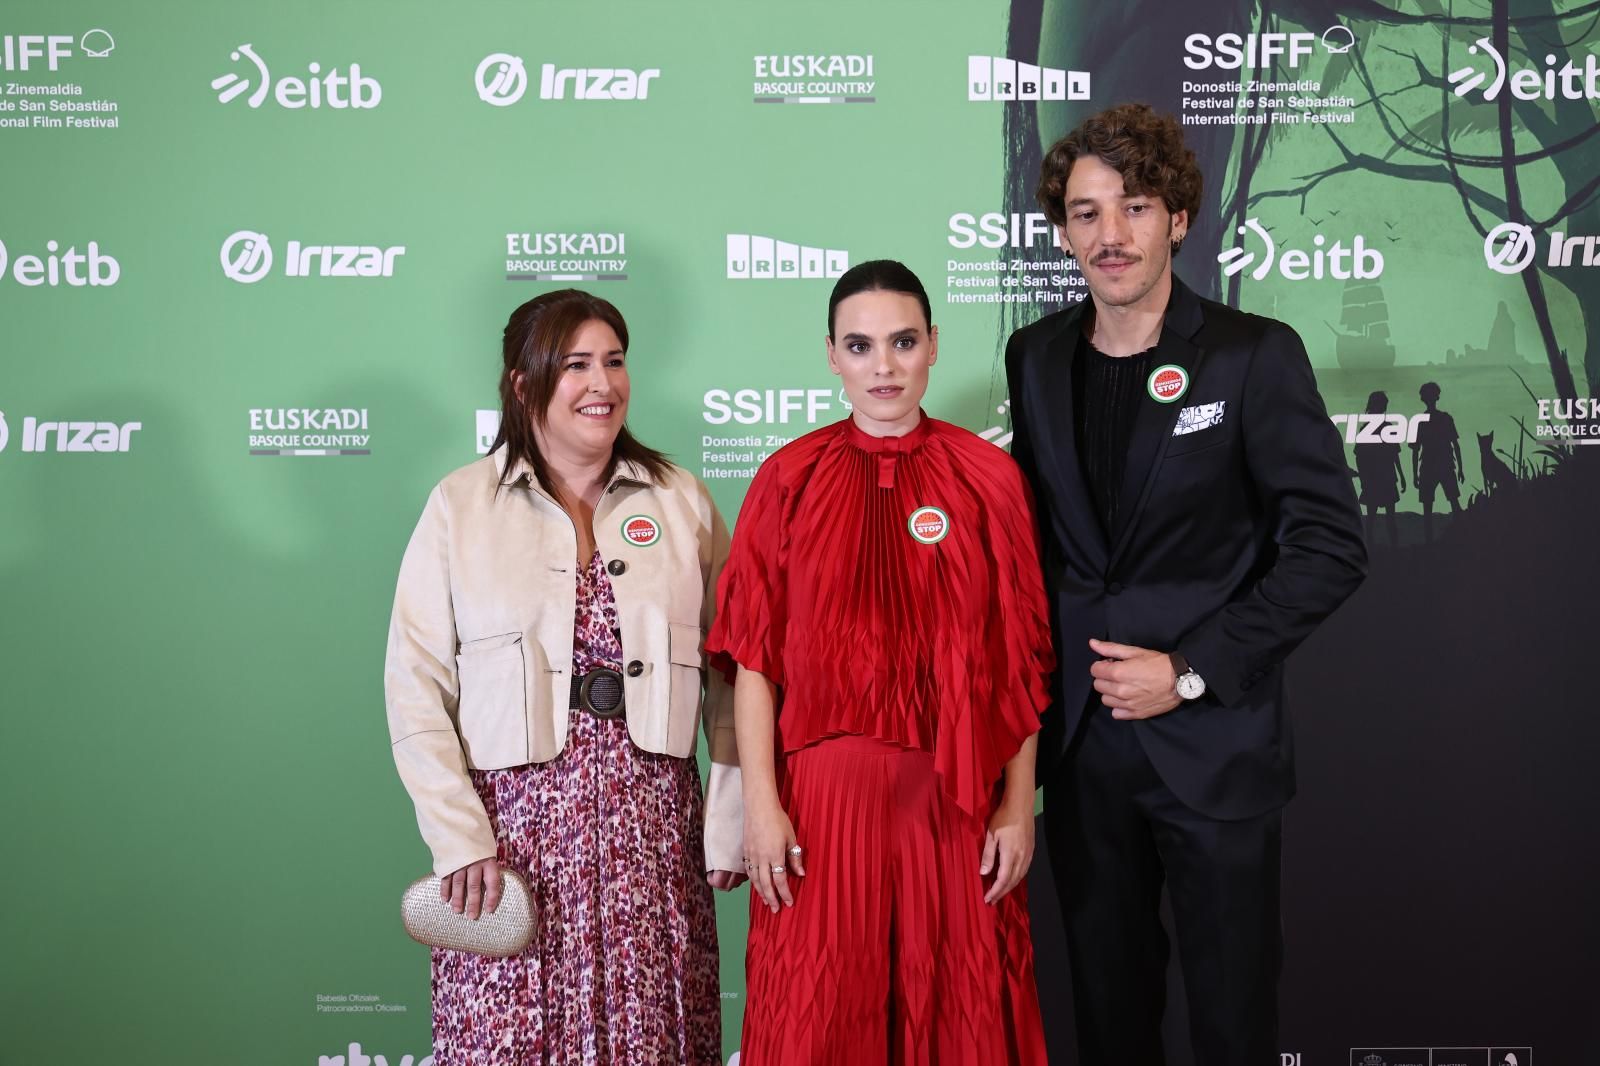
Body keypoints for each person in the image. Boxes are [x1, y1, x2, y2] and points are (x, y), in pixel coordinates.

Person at [1005, 103, 1368, 1065]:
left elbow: (1330, 546)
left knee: (1233, 1021)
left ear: (1178, 217)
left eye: (1133, 207)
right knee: (1109, 1017)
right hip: (1083, 753)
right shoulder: (1035, 358)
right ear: (1063, 231)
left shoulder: (1254, 355)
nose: (1110, 236)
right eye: (1085, 214)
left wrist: (1191, 670)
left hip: (1214, 746)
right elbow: (1045, 551)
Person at [384, 289, 743, 1065]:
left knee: (657, 1040)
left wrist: (730, 818)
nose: (602, 384)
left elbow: (732, 674)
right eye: (575, 364)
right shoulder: (459, 506)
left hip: (652, 839)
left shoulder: (680, 500)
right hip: (509, 848)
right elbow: (414, 684)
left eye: (613, 361)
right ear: (523, 384)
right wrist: (459, 841)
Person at [708, 260, 1053, 1064]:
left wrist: (1014, 805)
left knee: (961, 1015)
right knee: (820, 1016)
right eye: (860, 346)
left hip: (956, 796)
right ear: (831, 354)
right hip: (820, 804)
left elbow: (1023, 658)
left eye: (903, 342)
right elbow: (754, 663)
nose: (884, 367)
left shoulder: (988, 478)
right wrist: (762, 806)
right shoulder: (786, 479)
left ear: (934, 344)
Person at [1412, 380, 1463, 542]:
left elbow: (1415, 450)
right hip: (1443, 464)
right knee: (1453, 502)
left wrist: (1414, 474)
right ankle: (1459, 537)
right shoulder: (1444, 418)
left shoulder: (1420, 421)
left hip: (1431, 466)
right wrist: (1461, 468)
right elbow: (1455, 445)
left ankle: (1431, 542)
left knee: (1429, 507)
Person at [1353, 390, 1405, 547]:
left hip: (1382, 477)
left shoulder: (1370, 429)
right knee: (1379, 518)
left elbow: (1394, 454)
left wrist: (1401, 476)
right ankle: (1380, 550)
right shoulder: (1371, 429)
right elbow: (1360, 457)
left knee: (1379, 518)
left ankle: (1385, 550)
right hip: (1378, 478)